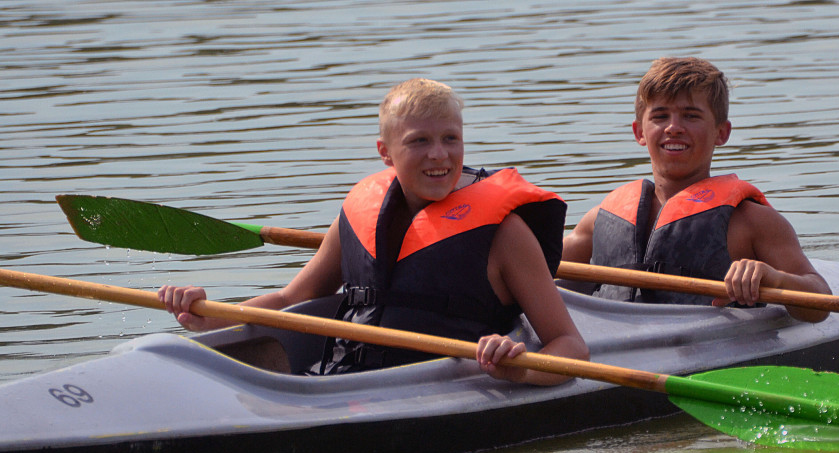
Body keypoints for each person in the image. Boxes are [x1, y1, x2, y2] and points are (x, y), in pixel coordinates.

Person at [160, 78, 588, 384]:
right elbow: (291, 299)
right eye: (419, 141)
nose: (439, 155)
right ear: (385, 152)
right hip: (341, 383)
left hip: (439, 388)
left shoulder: (506, 234)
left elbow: (570, 345)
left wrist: (520, 367)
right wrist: (207, 316)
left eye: (451, 139)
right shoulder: (360, 212)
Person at [562, 57, 831, 322]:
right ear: (639, 132)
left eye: (691, 116)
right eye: (660, 116)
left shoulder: (752, 221)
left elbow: (821, 305)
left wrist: (774, 278)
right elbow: (534, 268)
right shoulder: (600, 219)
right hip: (616, 347)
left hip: (713, 349)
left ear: (721, 133)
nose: (673, 128)